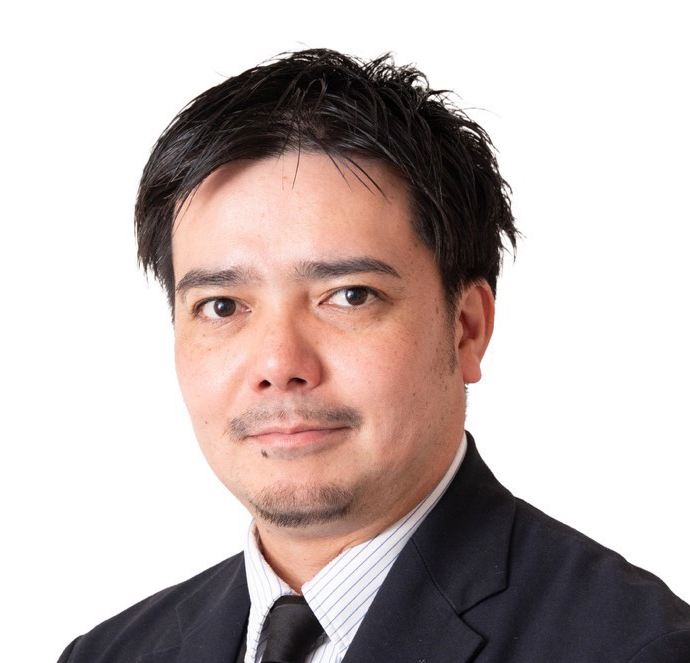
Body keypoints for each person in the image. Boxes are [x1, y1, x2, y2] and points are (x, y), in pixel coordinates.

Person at [58, 49, 690, 663]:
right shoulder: (109, 654)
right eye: (222, 306)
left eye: (350, 296)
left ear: (467, 328)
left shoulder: (637, 648)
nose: (279, 364)